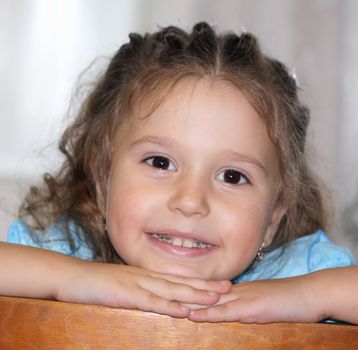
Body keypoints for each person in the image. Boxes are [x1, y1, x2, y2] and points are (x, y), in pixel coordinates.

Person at [1, 22, 356, 323]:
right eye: (160, 163)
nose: (190, 201)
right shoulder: (66, 254)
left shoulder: (296, 274)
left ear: (274, 215)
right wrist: (70, 278)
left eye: (232, 176)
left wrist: (312, 295)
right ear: (102, 180)